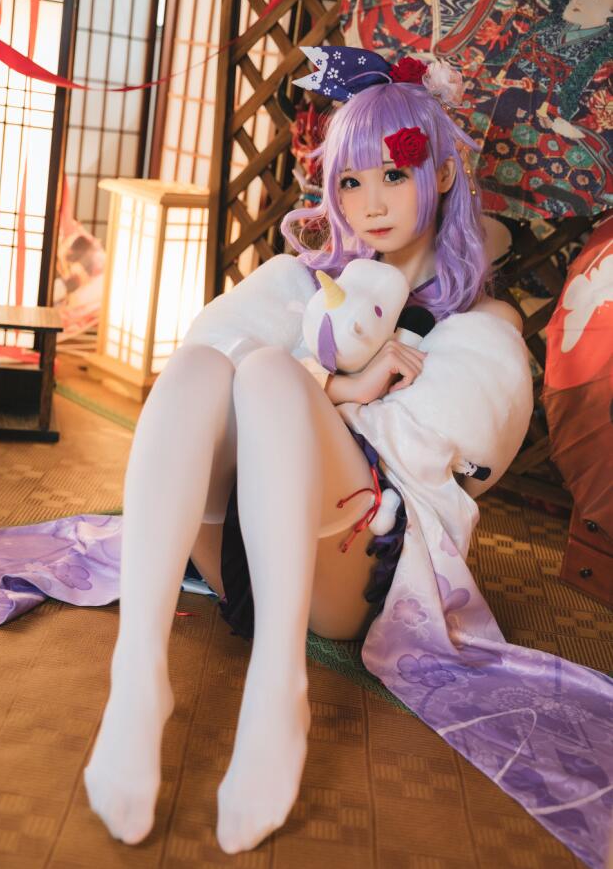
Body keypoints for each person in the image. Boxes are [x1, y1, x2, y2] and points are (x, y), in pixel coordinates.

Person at [83, 48, 524, 854]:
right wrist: (343, 385)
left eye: (393, 174)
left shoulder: (480, 326)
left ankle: (276, 690)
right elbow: (212, 344)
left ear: (443, 173)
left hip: (345, 571)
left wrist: (310, 388)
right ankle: (136, 679)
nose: (369, 204)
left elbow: (449, 454)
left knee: (267, 374)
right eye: (349, 181)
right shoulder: (304, 279)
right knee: (203, 366)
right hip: (234, 552)